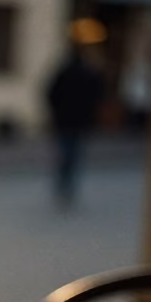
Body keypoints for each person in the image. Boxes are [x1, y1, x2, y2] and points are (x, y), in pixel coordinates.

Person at [45, 46, 105, 207]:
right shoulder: (88, 74)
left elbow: (50, 93)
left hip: (64, 120)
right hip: (80, 121)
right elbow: (98, 94)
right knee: (75, 153)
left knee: (65, 152)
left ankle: (63, 184)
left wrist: (56, 111)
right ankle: (69, 186)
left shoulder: (63, 73)